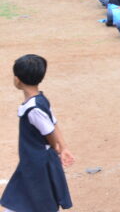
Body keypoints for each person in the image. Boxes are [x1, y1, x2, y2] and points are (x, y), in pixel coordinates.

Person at [1, 54, 73, 212]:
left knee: (36, 200)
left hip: (37, 162)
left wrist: (58, 147)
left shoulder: (33, 109)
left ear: (17, 80)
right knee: (22, 199)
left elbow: (50, 132)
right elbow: (53, 123)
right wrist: (64, 147)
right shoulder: (41, 99)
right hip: (32, 160)